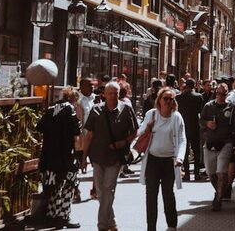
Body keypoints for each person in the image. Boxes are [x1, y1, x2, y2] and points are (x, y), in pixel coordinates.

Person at [82, 81, 139, 231]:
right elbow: (89, 136)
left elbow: (134, 132)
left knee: (108, 189)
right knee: (101, 192)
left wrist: (124, 142)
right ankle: (112, 222)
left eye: (116, 93)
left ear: (119, 94)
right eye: (111, 93)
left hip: (115, 158)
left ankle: (101, 226)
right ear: (104, 95)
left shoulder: (126, 109)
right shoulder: (96, 110)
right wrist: (83, 159)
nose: (114, 96)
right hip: (97, 156)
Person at [136, 87, 186, 231]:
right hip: (152, 160)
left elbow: (182, 140)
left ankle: (172, 225)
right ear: (159, 100)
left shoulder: (177, 117)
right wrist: (148, 129)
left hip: (169, 161)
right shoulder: (151, 115)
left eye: (171, 99)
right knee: (151, 195)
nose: (169, 101)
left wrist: (180, 158)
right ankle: (151, 227)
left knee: (168, 194)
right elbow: (139, 133)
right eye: (166, 98)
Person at [37, 87, 82, 229]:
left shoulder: (51, 109)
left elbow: (40, 127)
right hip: (65, 156)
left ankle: (51, 216)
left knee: (53, 188)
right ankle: (63, 217)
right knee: (68, 187)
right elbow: (76, 131)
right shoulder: (70, 109)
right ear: (74, 99)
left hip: (49, 156)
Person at [200, 82, 235, 210]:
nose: (221, 96)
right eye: (219, 93)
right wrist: (207, 123)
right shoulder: (208, 106)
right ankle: (220, 191)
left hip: (226, 143)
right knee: (211, 173)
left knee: (221, 172)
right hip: (210, 143)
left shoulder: (232, 108)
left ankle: (219, 199)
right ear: (216, 93)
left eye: (223, 94)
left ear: (227, 94)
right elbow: (200, 122)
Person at [176, 78, 206, 182]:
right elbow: (201, 113)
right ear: (194, 86)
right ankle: (196, 173)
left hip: (183, 126)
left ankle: (187, 173)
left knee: (185, 150)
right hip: (195, 126)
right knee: (196, 151)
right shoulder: (199, 97)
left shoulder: (179, 97)